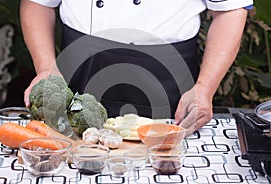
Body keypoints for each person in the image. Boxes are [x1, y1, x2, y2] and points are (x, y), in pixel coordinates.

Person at [20, 0, 253, 136]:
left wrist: (204, 88)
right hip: (79, 70)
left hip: (167, 76)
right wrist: (46, 67)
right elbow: (38, 3)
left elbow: (230, 9)